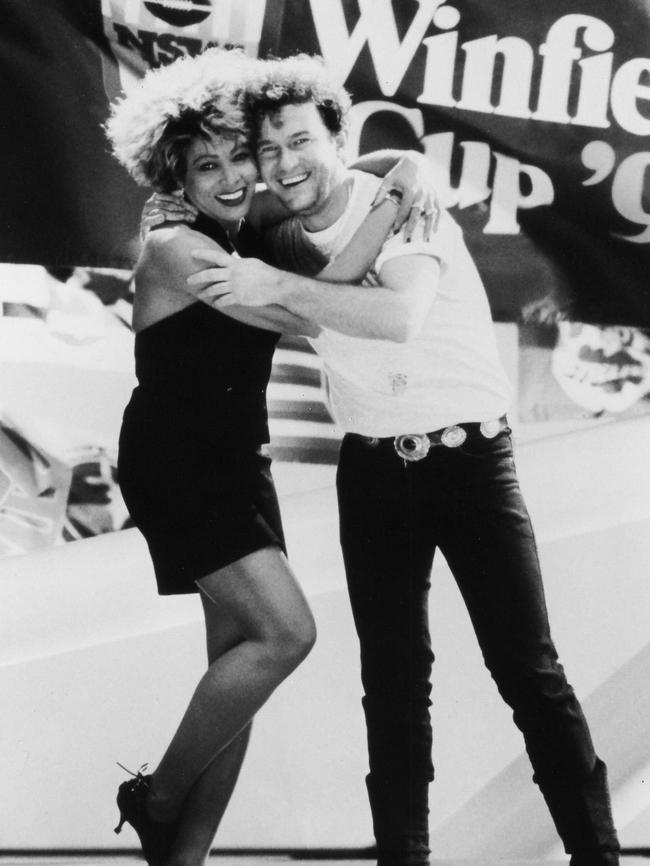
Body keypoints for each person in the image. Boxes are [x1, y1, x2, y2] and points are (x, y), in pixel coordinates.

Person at [188, 54, 621, 866]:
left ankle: (596, 855)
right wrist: (259, 268)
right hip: (373, 473)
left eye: (299, 142)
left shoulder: (410, 204)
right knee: (390, 685)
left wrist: (397, 176)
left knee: (529, 673)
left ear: (337, 138)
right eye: (268, 149)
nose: (284, 164)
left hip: (471, 463)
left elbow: (397, 317)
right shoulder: (276, 234)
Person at [106, 48, 436, 866]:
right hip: (177, 463)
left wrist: (411, 164)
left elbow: (361, 159)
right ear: (173, 178)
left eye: (239, 156)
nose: (230, 176)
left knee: (238, 667)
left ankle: (182, 856)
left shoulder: (243, 225)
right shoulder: (180, 247)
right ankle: (157, 796)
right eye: (205, 165)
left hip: (235, 462)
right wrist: (391, 208)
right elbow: (307, 310)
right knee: (286, 636)